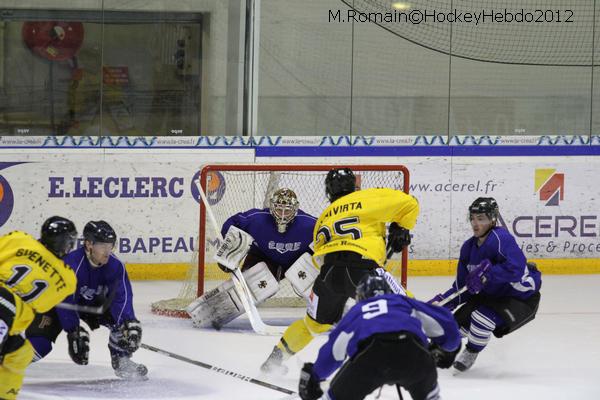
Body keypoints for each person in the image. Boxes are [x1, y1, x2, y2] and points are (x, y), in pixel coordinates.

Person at [261, 167, 419, 374]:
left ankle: (274, 360)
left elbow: (319, 255)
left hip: (329, 274)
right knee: (408, 305)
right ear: (354, 186)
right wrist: (401, 226)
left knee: (313, 325)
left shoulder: (325, 216)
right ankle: (419, 358)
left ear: (328, 192)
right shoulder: (368, 197)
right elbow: (410, 203)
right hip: (363, 270)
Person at [298, 274, 461, 400]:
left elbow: (335, 351)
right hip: (413, 355)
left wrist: (315, 375)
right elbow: (446, 322)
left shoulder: (358, 310)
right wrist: (448, 349)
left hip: (371, 358)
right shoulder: (402, 301)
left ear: (360, 296)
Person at [429, 197, 542, 371]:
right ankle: (437, 350)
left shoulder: (501, 238)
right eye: (473, 218)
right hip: (491, 295)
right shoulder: (468, 248)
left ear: (492, 219)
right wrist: (444, 302)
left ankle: (472, 351)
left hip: (519, 298)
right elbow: (462, 287)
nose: (475, 223)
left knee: (481, 318)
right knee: (454, 324)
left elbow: (517, 269)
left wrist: (487, 275)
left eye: (481, 218)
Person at [27, 220, 147, 380]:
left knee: (123, 326)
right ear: (89, 244)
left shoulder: (115, 266)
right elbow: (64, 301)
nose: (107, 251)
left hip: (90, 304)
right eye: (103, 246)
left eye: (110, 246)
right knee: (40, 345)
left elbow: (121, 298)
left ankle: (121, 360)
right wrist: (73, 330)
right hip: (56, 305)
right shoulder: (71, 263)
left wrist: (128, 321)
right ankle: (7, 362)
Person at [187, 188, 318, 329]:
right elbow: (231, 224)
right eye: (279, 209)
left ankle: (332, 312)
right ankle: (211, 312)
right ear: (272, 206)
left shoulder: (309, 224)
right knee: (247, 288)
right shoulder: (256, 219)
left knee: (315, 283)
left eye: (287, 210)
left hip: (296, 261)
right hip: (263, 257)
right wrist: (230, 249)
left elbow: (327, 234)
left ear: (296, 209)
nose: (283, 215)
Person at [1, 216, 78, 400]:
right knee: (17, 356)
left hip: (6, 310)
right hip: (7, 312)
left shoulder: (19, 238)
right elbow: (41, 305)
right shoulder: (66, 278)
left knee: (20, 353)